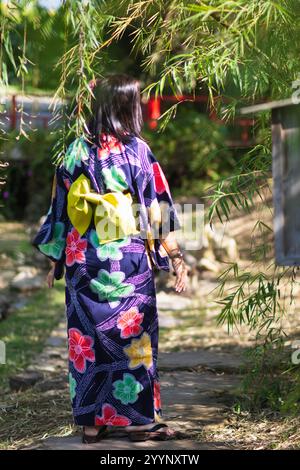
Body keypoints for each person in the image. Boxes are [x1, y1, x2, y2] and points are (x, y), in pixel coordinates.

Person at [32, 73, 188, 444]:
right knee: (134, 339)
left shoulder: (74, 151)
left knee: (85, 339)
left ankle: (91, 423)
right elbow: (156, 209)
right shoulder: (137, 151)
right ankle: (136, 422)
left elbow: (60, 208)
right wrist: (176, 256)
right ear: (125, 106)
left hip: (82, 259)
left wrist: (55, 260)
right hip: (127, 261)